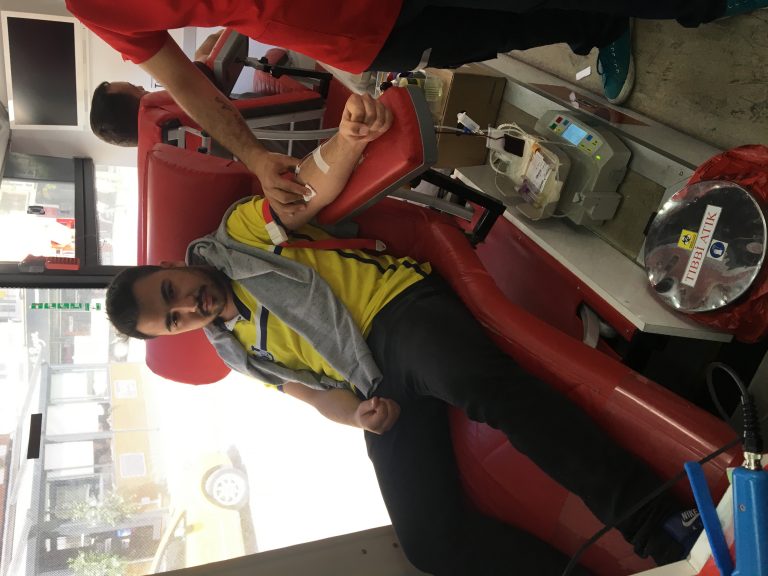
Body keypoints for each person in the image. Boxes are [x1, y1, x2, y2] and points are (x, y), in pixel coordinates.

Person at [105, 92, 702, 575]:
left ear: (172, 266)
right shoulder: (235, 351)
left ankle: (658, 522)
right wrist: (357, 417)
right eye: (174, 318)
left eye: (171, 290)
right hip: (371, 383)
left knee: (485, 389)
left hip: (397, 310)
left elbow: (301, 195)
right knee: (428, 545)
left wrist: (348, 139)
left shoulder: (235, 239)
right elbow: (311, 394)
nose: (187, 305)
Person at [66, 0, 768, 216]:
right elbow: (187, 85)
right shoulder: (94, 7)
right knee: (494, 34)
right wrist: (252, 153)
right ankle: (600, 23)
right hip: (358, 38)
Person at [90, 30, 225, 146]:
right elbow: (204, 63)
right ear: (139, 106)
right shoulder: (177, 101)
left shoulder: (160, 150)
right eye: (135, 88)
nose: (141, 86)